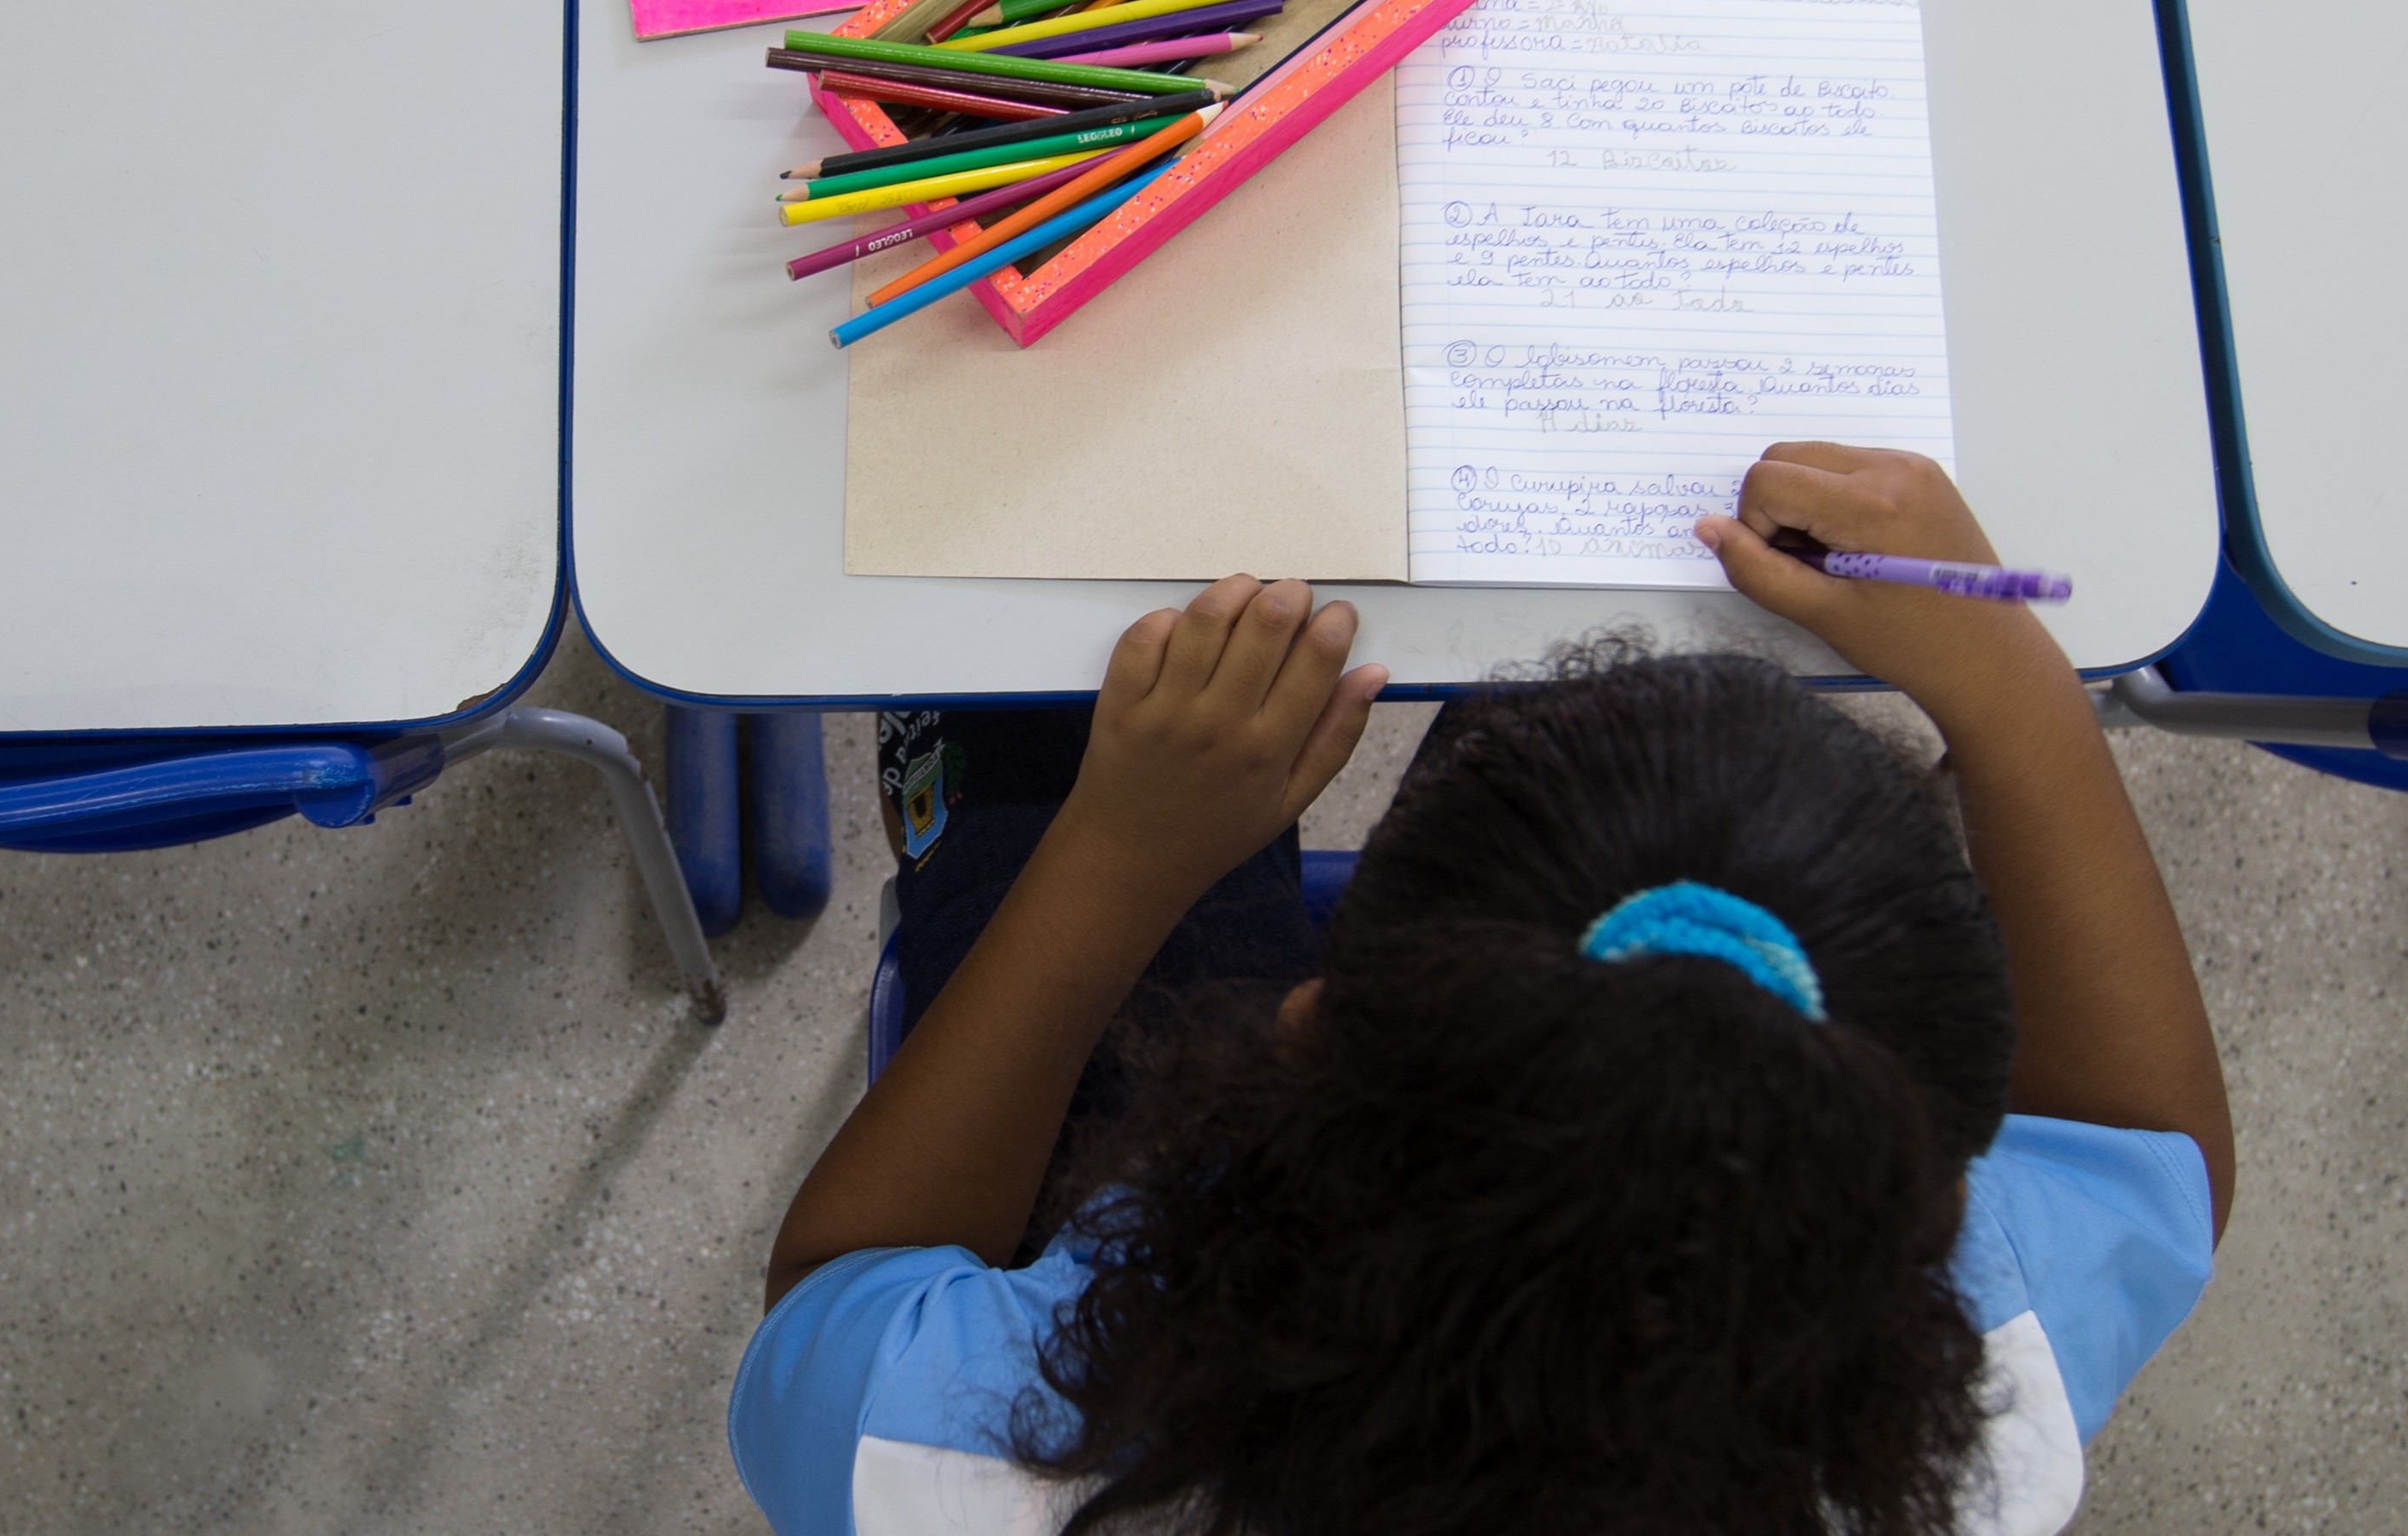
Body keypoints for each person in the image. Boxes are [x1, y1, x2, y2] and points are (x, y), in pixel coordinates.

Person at [733, 445, 2234, 1536]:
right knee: (1633, 655)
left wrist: (1113, 863)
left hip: (1167, 1281)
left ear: (1303, 1023)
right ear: (1930, 1181)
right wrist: (2010, 663)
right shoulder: (1979, 1417)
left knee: (1037, 744)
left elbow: (840, 1300)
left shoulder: (976, 1466)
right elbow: (2148, 1152)